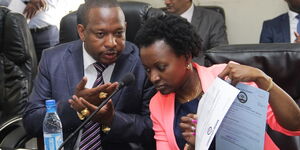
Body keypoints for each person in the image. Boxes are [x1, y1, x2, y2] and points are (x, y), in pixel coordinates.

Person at [134, 14, 300, 150]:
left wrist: (262, 78)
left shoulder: (229, 78)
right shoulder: (157, 104)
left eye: (161, 67)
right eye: (148, 69)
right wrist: (193, 147)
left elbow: (294, 125)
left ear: (186, 57)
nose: (153, 77)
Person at [22, 0, 156, 149]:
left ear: (125, 28)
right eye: (101, 34)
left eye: (119, 33)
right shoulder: (53, 60)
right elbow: (31, 121)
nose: (112, 43)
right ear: (82, 32)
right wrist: (74, 107)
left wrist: (111, 119)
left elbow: (153, 127)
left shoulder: (142, 63)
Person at [162, 0, 228, 52]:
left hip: (200, 67)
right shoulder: (160, 18)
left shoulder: (213, 19)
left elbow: (220, 52)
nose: (166, 2)